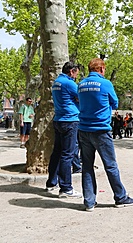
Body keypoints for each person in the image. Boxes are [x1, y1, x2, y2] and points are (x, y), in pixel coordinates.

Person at [78, 58, 133, 211]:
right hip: (101, 130)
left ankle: (89, 201)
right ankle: (120, 197)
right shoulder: (106, 84)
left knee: (87, 166)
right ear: (102, 69)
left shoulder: (81, 84)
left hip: (83, 129)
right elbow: (115, 103)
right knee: (110, 165)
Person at [45, 61, 82, 198]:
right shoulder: (69, 83)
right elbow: (81, 97)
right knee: (68, 154)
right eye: (76, 74)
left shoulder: (57, 82)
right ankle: (66, 188)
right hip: (70, 120)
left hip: (58, 120)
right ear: (71, 71)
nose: (76, 77)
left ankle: (51, 182)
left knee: (57, 153)